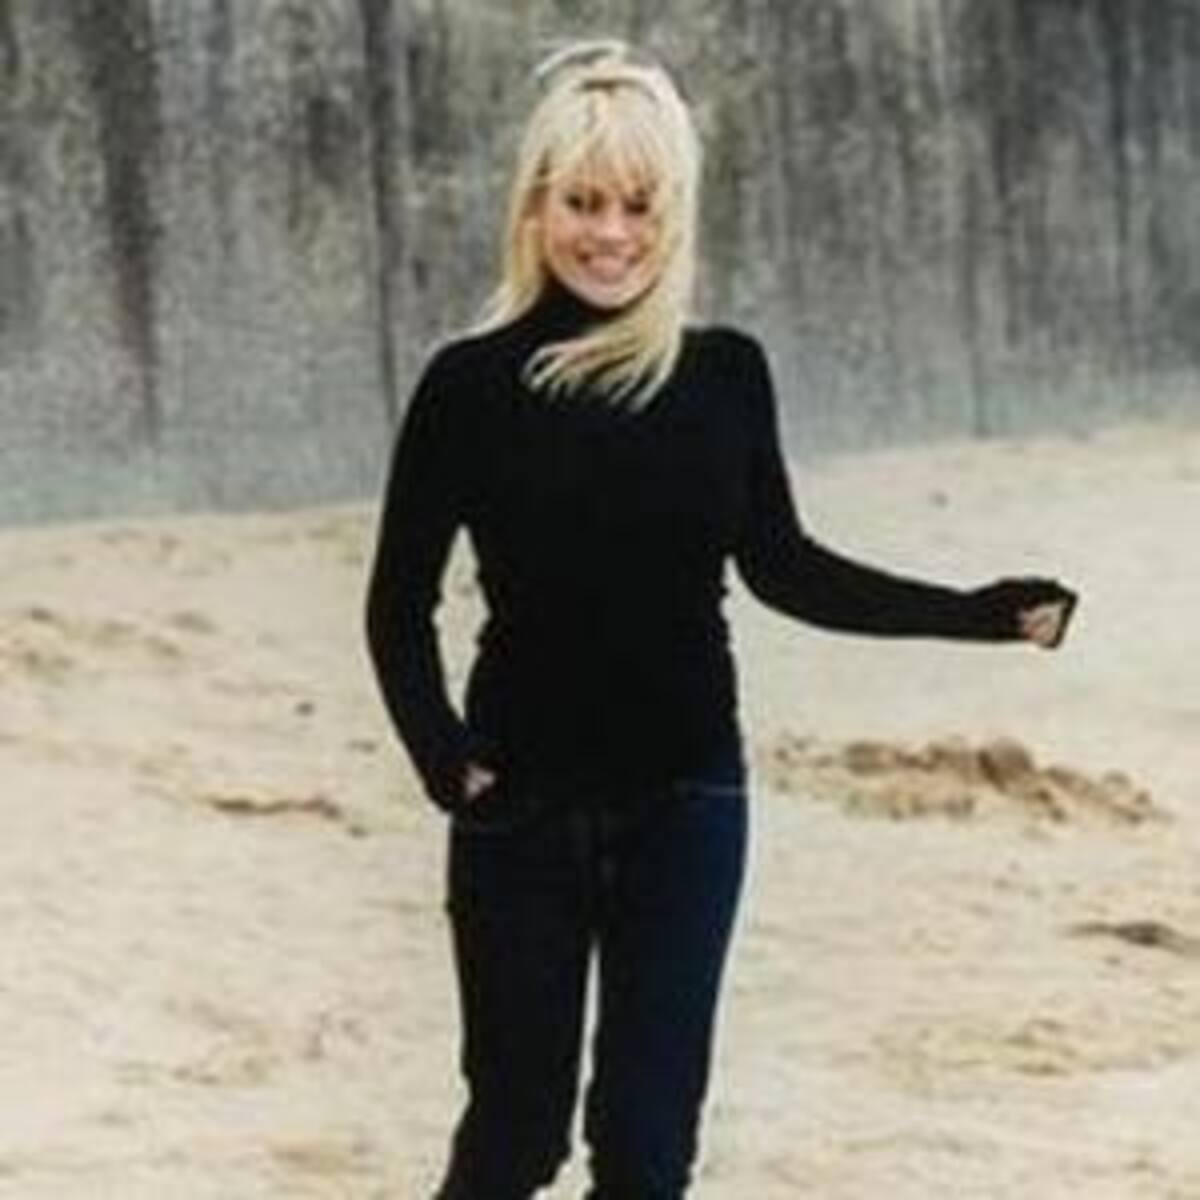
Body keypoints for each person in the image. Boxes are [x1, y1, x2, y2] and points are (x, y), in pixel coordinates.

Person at [364, 39, 1076, 1200]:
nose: (610, 234)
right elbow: (396, 606)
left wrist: (975, 615)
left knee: (647, 1152)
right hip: (520, 808)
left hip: (687, 804)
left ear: (676, 214)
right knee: (514, 1136)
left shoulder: (723, 375)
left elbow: (786, 569)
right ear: (536, 207)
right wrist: (447, 762)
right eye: (583, 202)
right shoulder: (470, 386)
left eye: (639, 206)